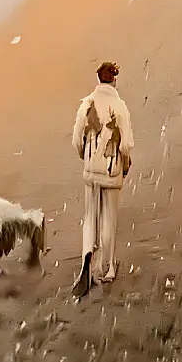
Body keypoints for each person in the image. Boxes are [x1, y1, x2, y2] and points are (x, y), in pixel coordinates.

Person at [70, 61, 134, 297]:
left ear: (98, 80)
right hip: (111, 169)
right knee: (109, 217)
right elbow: (126, 145)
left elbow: (77, 139)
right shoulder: (119, 107)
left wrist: (85, 158)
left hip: (91, 168)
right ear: (114, 80)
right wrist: (125, 165)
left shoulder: (86, 104)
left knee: (90, 216)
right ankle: (107, 267)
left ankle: (88, 253)